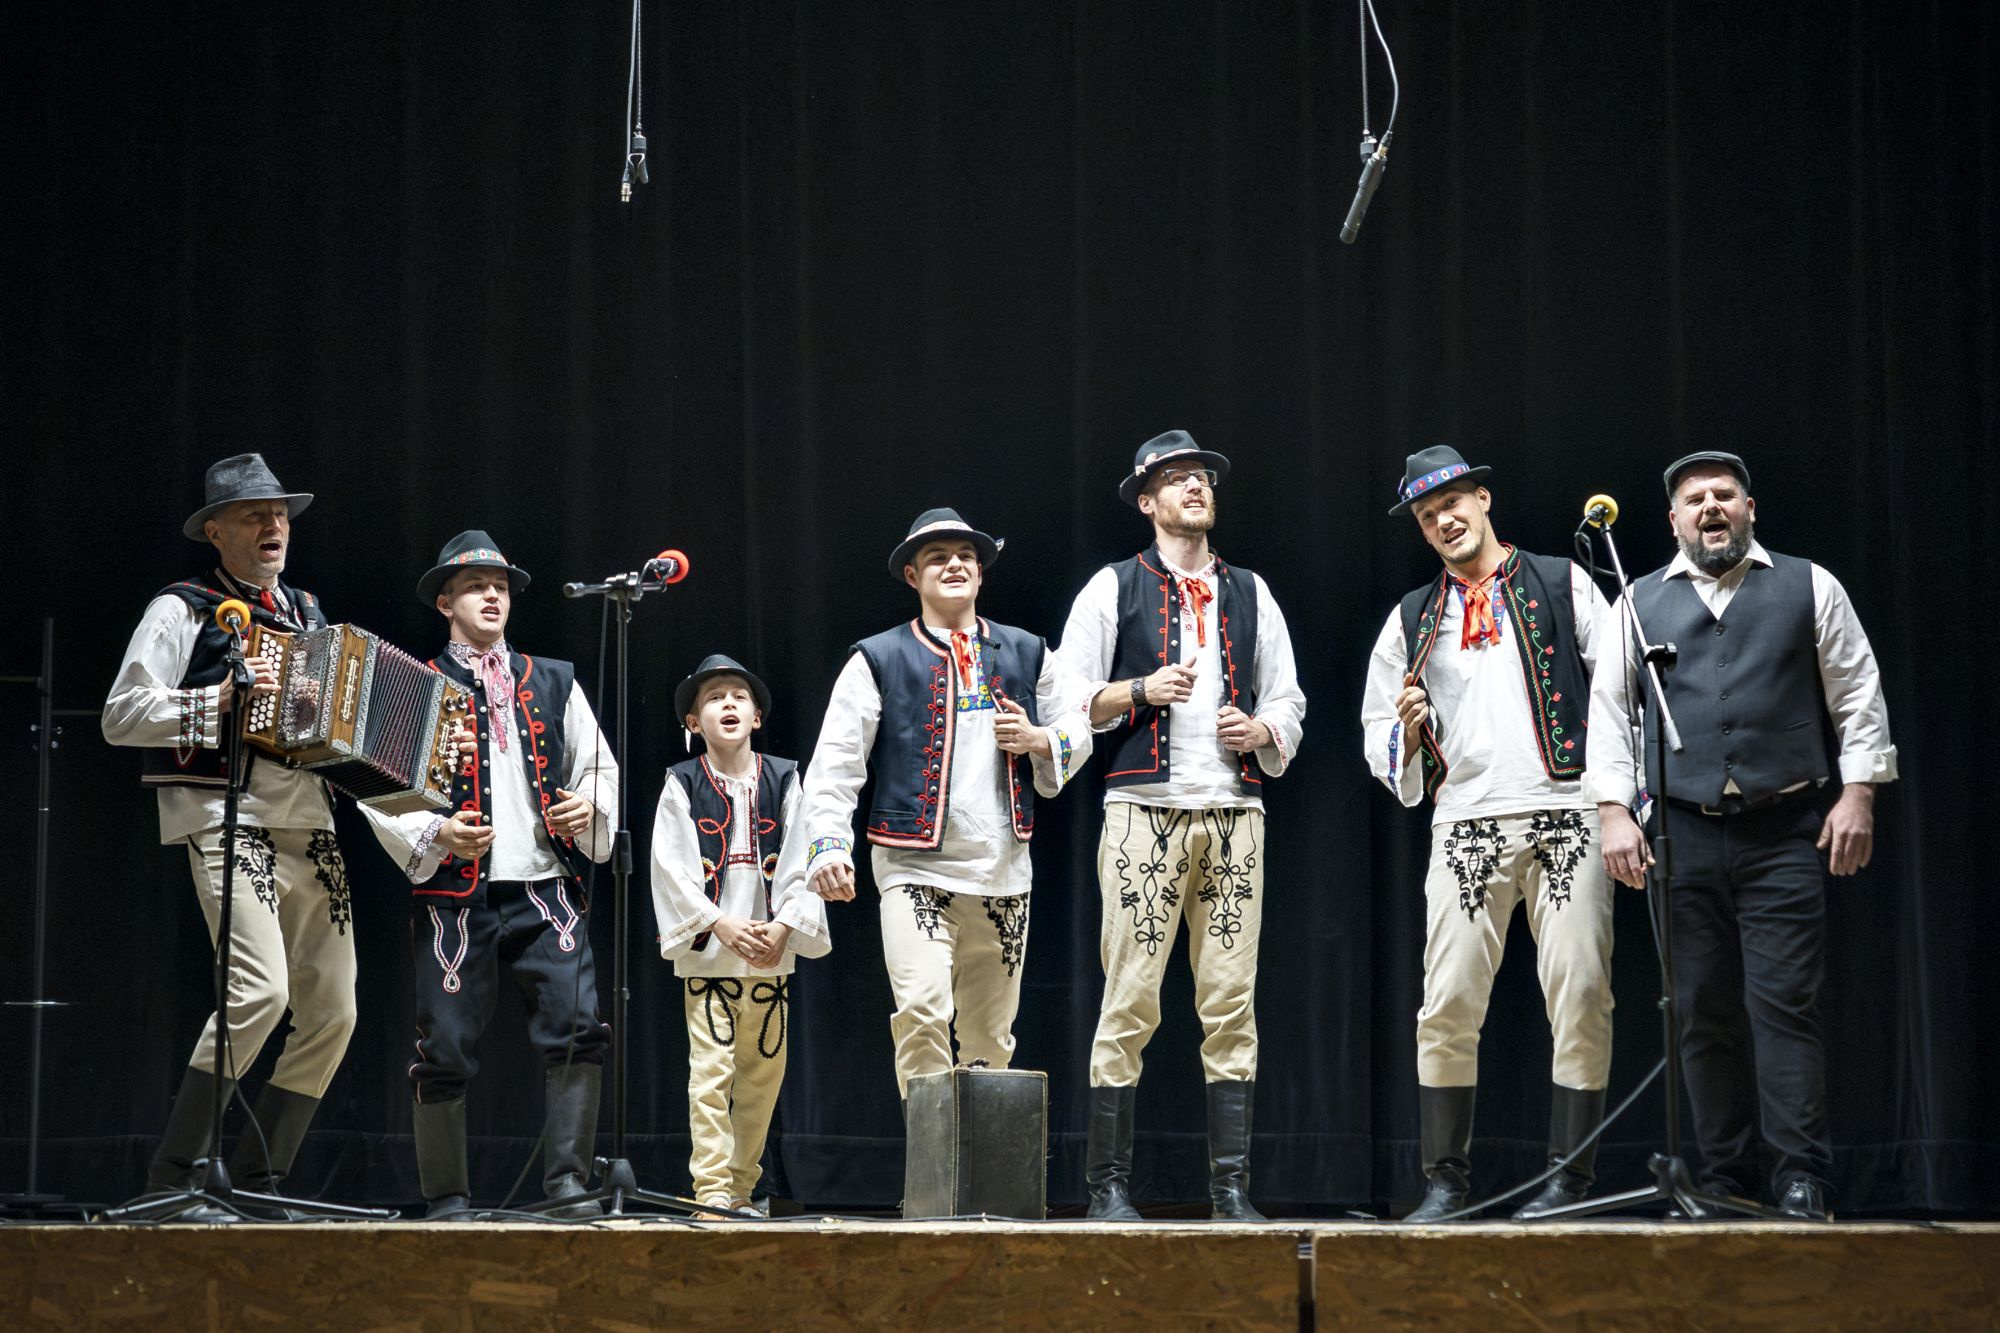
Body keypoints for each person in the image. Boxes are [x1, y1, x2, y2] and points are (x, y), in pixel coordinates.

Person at [1586, 452, 1896, 1221]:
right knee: (1699, 1007)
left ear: (1749, 507)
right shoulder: (1636, 602)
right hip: (1681, 833)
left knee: (1786, 1003)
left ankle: (1801, 1176)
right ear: (1674, 521)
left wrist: (1858, 791)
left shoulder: (1809, 584)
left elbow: (1857, 692)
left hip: (1784, 829)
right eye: (1695, 499)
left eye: (1724, 494)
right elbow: (1611, 716)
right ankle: (1724, 1176)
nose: (1711, 507)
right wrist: (1614, 811)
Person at [1361, 445, 1616, 1221]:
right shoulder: (1411, 617)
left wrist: (1618, 802)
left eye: (1452, 502)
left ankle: (1570, 1180)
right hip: (1466, 819)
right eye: (1426, 514)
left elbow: (1620, 689)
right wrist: (1408, 732)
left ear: (1483, 499)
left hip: (1567, 810)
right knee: (1446, 1000)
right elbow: (1377, 736)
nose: (1443, 520)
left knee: (1581, 989)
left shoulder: (1564, 581)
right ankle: (1444, 1182)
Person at [1055, 431, 1306, 1221]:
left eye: (1201, 476)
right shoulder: (1112, 586)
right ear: (1146, 500)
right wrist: (1140, 688)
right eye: (1175, 478)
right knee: (1129, 998)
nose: (1195, 486)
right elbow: (1067, 698)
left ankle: (1230, 1188)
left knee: (1231, 1003)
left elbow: (1288, 696)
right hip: (1144, 811)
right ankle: (1107, 1187)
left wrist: (1262, 731)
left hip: (1235, 812)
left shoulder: (1251, 591)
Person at [103, 453, 357, 1213]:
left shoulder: (309, 614)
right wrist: (214, 701)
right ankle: (174, 1175)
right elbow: (121, 715)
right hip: (228, 814)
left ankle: (256, 1178)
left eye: (280, 514)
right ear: (215, 531)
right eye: (254, 515)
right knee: (260, 992)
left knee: (335, 1012)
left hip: (310, 821)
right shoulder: (182, 608)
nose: (274, 525)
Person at [788, 508, 1092, 1103]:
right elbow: (836, 764)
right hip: (914, 869)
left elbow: (1077, 723)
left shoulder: (1027, 651)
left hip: (1004, 872)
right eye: (937, 558)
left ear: (980, 572)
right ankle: (930, 1160)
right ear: (912, 576)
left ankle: (980, 1162)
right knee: (923, 1013)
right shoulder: (878, 657)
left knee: (990, 1041)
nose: (955, 565)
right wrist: (828, 847)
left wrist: (1040, 740)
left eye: (965, 557)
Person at [362, 530, 617, 1219]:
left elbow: (597, 764)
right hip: (455, 892)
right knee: (443, 1044)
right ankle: (447, 1197)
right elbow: (376, 787)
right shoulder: (417, 683)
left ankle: (567, 1183)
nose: (492, 596)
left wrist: (587, 805)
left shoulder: (552, 678)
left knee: (578, 1025)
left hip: (543, 884)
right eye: (476, 586)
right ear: (446, 602)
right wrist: (437, 831)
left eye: (500, 586)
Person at [650, 654, 829, 1214]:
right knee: (710, 1076)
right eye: (713, 698)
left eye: (738, 696)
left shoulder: (784, 778)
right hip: (711, 954)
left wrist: (785, 924)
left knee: (762, 1077)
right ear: (693, 722)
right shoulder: (682, 783)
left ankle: (743, 1188)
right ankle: (711, 1192)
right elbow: (672, 866)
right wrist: (718, 922)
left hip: (770, 949)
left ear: (757, 717)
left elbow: (803, 855)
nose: (727, 704)